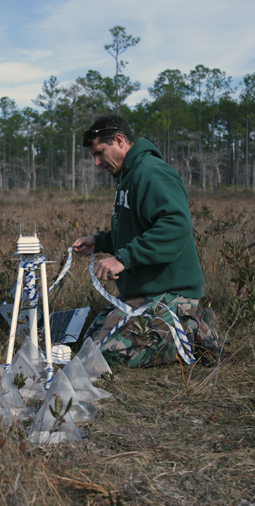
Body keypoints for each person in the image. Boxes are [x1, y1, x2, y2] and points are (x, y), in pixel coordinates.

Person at [72, 115, 219, 367]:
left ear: (119, 140)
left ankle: (192, 330)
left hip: (171, 294)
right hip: (144, 294)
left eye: (99, 153)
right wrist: (98, 241)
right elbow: (135, 231)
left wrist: (123, 259)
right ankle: (171, 328)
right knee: (88, 346)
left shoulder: (151, 173)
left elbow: (176, 225)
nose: (96, 162)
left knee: (104, 357)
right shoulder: (127, 177)